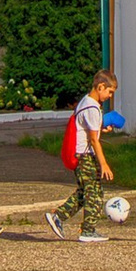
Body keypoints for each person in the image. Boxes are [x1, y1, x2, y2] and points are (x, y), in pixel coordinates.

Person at [44, 70, 118, 241]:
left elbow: (87, 129)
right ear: (100, 87)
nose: (109, 96)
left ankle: (59, 216)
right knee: (94, 194)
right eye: (109, 92)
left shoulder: (85, 101)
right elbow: (93, 140)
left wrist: (101, 129)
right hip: (85, 156)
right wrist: (103, 164)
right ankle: (88, 231)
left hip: (80, 154)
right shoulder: (92, 107)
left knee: (84, 192)